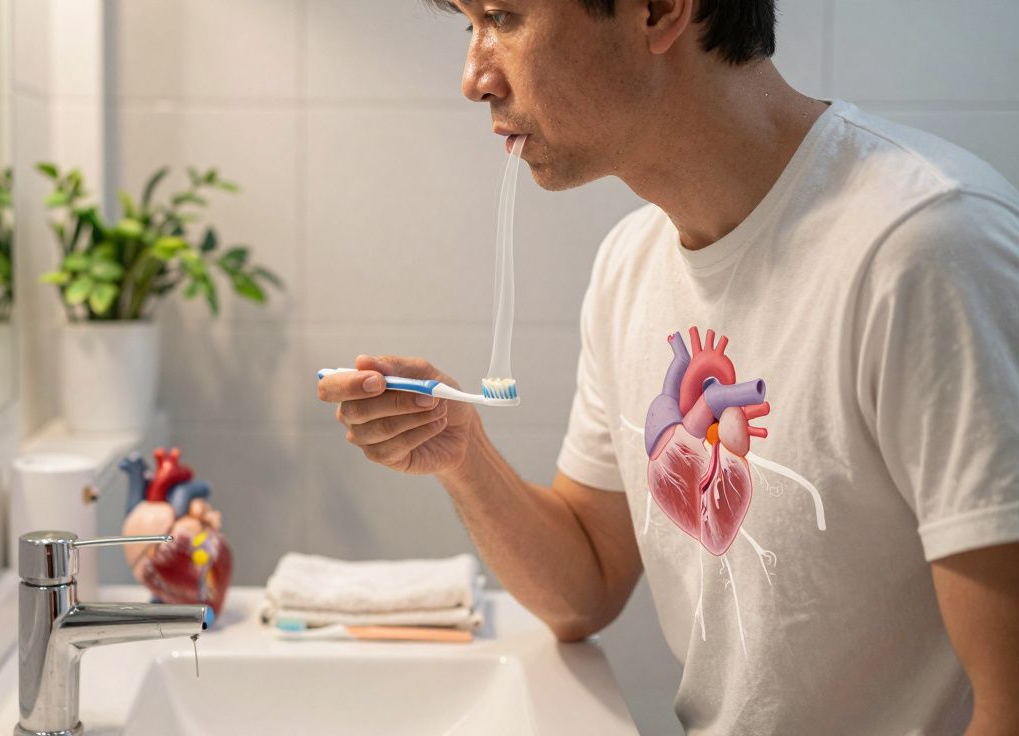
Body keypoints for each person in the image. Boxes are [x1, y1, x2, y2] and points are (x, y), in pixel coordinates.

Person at [315, 1, 1019, 733]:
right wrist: (461, 454)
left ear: (656, 12)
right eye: (470, 26)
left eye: (504, 15)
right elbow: (585, 586)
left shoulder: (929, 251)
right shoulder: (631, 265)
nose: (474, 78)